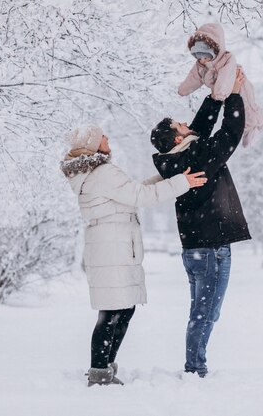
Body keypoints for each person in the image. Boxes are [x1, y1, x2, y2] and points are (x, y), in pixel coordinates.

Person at [61, 125, 207, 386]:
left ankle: (103, 367)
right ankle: (99, 371)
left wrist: (166, 178)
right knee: (114, 311)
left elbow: (132, 190)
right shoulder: (102, 172)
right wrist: (182, 183)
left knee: (120, 309)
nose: (107, 137)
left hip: (108, 244)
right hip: (112, 246)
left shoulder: (93, 172)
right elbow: (141, 196)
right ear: (93, 145)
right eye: (102, 136)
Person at [150, 69, 250, 378]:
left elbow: (200, 129)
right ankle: (195, 369)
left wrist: (215, 96)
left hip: (195, 250)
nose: (186, 124)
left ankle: (195, 366)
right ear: (178, 137)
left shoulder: (179, 159)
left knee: (204, 311)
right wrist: (233, 95)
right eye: (180, 124)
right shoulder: (198, 157)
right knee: (205, 313)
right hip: (211, 250)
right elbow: (230, 134)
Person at [177, 22, 263, 147]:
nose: (202, 60)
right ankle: (247, 130)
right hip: (223, 94)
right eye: (198, 56)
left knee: (247, 108)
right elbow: (194, 78)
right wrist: (183, 90)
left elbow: (226, 75)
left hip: (239, 86)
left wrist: (218, 94)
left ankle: (259, 123)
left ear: (215, 50)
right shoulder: (201, 66)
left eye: (205, 56)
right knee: (236, 114)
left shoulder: (227, 59)